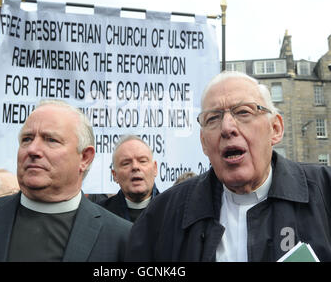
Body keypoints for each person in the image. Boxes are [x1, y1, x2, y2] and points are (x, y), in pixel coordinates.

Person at [125, 71, 331, 262]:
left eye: (243, 112)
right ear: (204, 142)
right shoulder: (161, 216)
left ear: (275, 129)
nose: (227, 128)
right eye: (213, 118)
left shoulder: (325, 192)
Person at [0, 99, 132, 262]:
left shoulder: (122, 239)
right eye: (27, 139)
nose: (33, 149)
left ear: (85, 157)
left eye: (51, 140)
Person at [98, 135, 159, 222]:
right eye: (126, 163)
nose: (135, 167)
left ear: (155, 168)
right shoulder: (99, 215)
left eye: (142, 161)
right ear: (114, 175)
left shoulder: (173, 211)